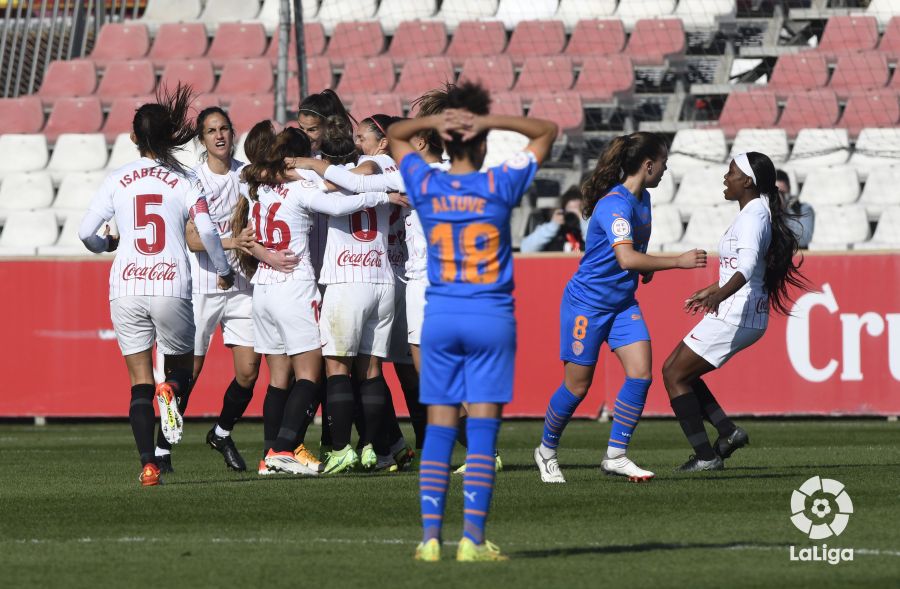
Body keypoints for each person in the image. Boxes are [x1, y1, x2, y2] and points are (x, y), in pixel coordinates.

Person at [390, 81, 558, 562]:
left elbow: (398, 134)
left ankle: (428, 541)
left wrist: (432, 122)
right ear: (481, 144)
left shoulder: (427, 184)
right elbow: (546, 130)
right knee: (481, 433)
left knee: (440, 430)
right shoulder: (498, 183)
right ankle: (472, 541)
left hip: (440, 316)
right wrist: (487, 121)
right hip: (490, 317)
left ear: (443, 140)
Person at [78, 85, 234, 486]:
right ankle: (173, 389)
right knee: (180, 368)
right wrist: (223, 269)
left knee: (138, 382)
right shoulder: (184, 180)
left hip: (126, 285)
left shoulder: (118, 179)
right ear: (170, 137)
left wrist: (106, 243)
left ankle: (148, 463)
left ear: (134, 138)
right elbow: (208, 231)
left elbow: (85, 233)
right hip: (170, 283)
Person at [533, 132, 707, 485]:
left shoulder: (642, 199)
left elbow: (630, 258)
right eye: (662, 163)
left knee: (641, 374)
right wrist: (678, 262)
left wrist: (645, 270)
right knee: (577, 388)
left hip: (621, 304)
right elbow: (625, 257)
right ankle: (546, 450)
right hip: (587, 305)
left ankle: (616, 454)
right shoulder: (615, 204)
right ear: (648, 165)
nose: (665, 169)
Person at [239, 124, 406, 475]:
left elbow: (247, 173)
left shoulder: (256, 186)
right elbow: (336, 204)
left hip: (267, 288)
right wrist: (384, 197)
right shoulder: (324, 182)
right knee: (325, 375)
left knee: (283, 377)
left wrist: (259, 251)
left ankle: (277, 453)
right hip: (325, 282)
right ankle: (300, 449)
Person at [662, 153, 809, 472]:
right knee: (677, 370)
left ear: (748, 181)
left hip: (736, 312)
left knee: (674, 375)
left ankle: (706, 457)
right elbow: (742, 268)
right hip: (734, 308)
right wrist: (712, 290)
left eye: (731, 173)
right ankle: (727, 433)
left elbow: (744, 268)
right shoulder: (753, 213)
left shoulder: (753, 217)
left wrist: (717, 295)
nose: (725, 178)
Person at [151, 107, 258, 474]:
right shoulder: (192, 179)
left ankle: (221, 432)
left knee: (249, 370)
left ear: (233, 132)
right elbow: (194, 239)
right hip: (202, 286)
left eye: (224, 128)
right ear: (202, 139)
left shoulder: (246, 175)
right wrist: (233, 243)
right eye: (211, 130)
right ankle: (162, 450)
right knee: (188, 375)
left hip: (241, 286)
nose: (219, 135)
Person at [520, 187, 588, 253]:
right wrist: (552, 226)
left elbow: (596, 245)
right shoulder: (553, 231)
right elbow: (525, 249)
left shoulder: (588, 229)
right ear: (563, 210)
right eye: (570, 209)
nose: (573, 214)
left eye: (578, 209)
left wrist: (583, 220)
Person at [776, 169, 814, 249]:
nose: (779, 197)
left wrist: (783, 214)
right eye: (775, 193)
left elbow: (805, 239)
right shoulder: (764, 211)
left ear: (789, 189)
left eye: (782, 192)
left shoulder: (803, 209)